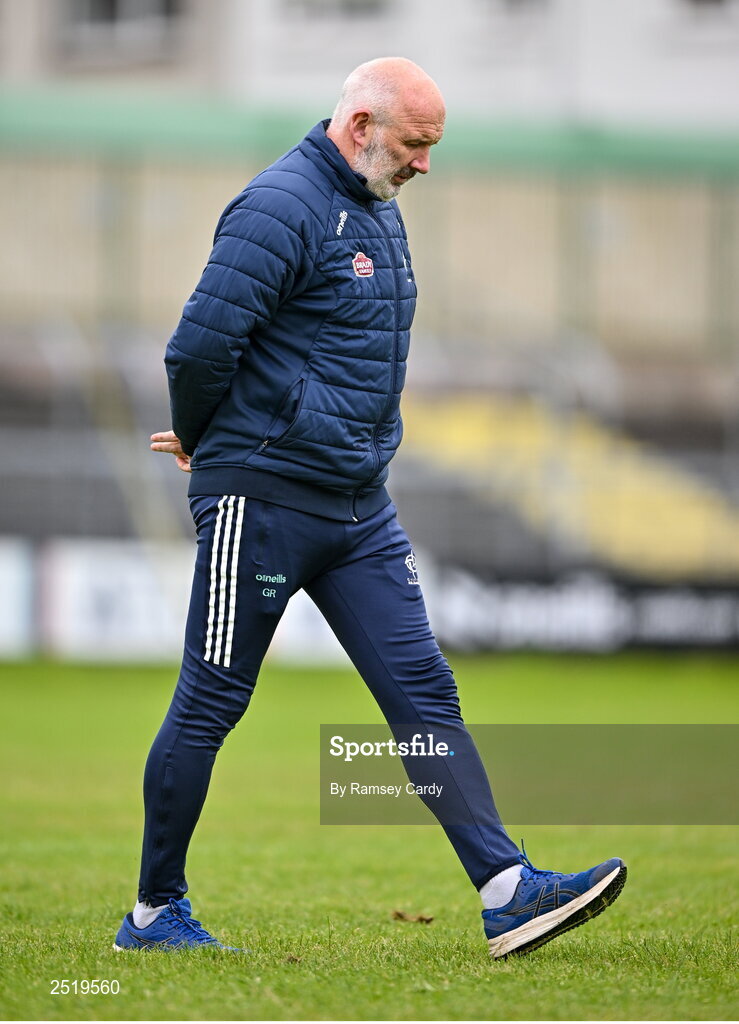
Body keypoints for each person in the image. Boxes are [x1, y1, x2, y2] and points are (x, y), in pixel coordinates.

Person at [113, 57, 626, 959]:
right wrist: (207, 440)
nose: (425, 163)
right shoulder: (279, 205)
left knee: (424, 690)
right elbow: (196, 347)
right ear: (359, 127)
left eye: (432, 146)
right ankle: (154, 915)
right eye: (415, 144)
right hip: (262, 497)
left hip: (358, 509)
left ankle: (507, 891)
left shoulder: (379, 211)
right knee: (210, 704)